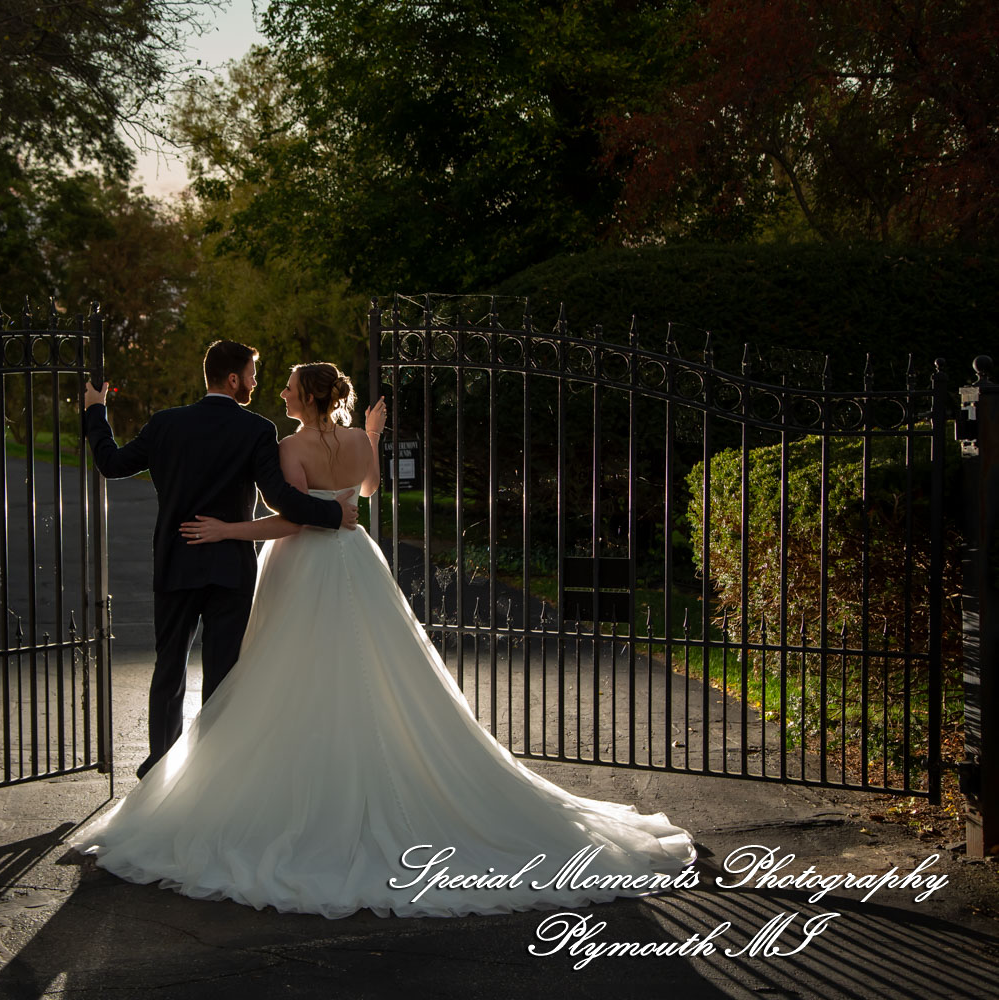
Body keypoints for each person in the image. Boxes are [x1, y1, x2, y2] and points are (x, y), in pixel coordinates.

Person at [70, 362, 695, 918]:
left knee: (266, 673)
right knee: (357, 666)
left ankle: (200, 779)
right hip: (350, 558)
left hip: (277, 565)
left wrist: (226, 526)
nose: (278, 391)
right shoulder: (332, 441)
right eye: (272, 382)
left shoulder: (276, 442)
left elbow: (287, 515)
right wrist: (367, 442)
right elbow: (362, 493)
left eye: (288, 386)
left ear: (306, 397)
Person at [82, 341, 357, 780]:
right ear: (233, 379)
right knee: (222, 675)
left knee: (169, 667)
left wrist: (96, 411)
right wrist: (332, 513)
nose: (255, 382)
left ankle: (159, 767)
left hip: (176, 563)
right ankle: (211, 774)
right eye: (251, 375)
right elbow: (281, 499)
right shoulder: (257, 430)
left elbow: (111, 463)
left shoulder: (166, 423)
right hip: (230, 570)